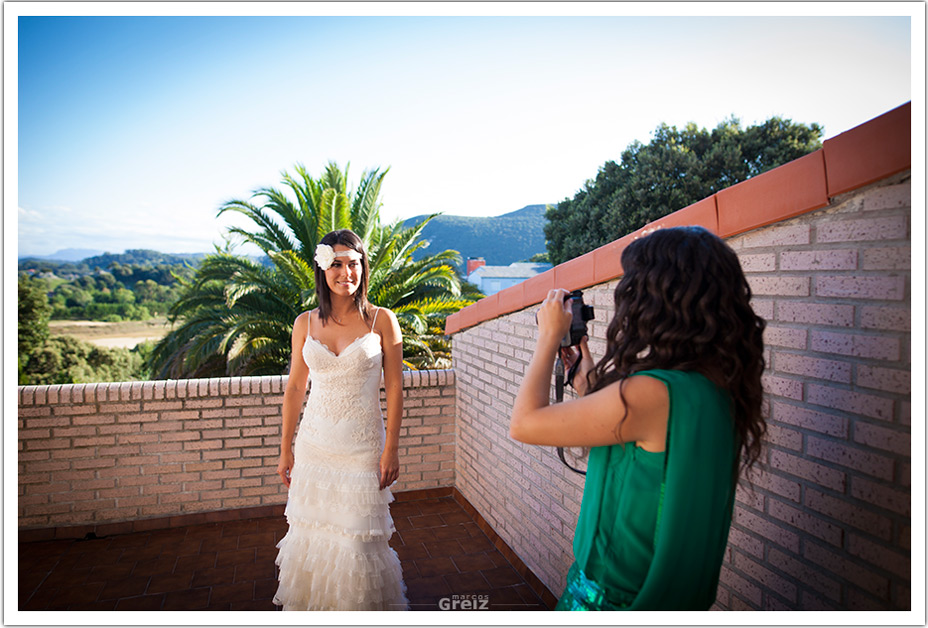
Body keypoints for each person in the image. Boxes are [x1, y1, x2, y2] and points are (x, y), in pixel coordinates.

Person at [509, 226, 766, 610]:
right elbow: (641, 436)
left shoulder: (651, 393)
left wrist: (548, 337)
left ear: (657, 299)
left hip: (611, 599)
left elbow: (524, 423)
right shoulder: (711, 387)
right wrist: (587, 377)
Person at [273, 229, 408, 611]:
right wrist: (285, 450)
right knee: (312, 539)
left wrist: (391, 449)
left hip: (362, 452)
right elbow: (295, 389)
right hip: (313, 451)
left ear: (364, 267)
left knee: (357, 545)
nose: (346, 272)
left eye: (354, 263)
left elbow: (395, 389)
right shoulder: (304, 323)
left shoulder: (383, 320)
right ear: (322, 268)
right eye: (336, 264)